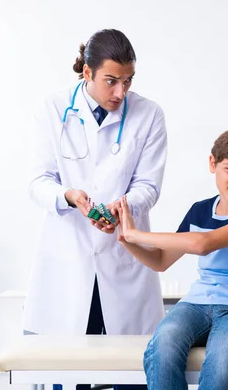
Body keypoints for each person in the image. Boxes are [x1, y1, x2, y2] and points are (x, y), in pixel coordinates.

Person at [23, 28, 168, 390]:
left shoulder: (149, 114)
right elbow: (38, 182)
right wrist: (70, 197)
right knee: (70, 369)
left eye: (128, 80)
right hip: (69, 254)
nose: (121, 91)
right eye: (111, 81)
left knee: (132, 370)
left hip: (124, 253)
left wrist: (123, 206)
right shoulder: (53, 110)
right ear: (87, 73)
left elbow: (148, 187)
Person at [117, 127, 228, 390]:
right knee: (163, 346)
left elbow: (203, 244)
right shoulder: (200, 210)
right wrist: (125, 238)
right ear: (212, 164)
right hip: (197, 304)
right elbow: (160, 261)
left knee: (221, 361)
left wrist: (137, 234)